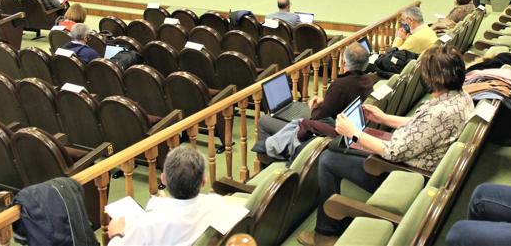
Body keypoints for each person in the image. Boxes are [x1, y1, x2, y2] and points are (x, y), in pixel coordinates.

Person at [297, 45, 473, 246]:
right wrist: (385, 118)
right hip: (408, 154)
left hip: (404, 170)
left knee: (329, 159)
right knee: (341, 147)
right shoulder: (460, 96)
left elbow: (392, 152)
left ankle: (325, 232)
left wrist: (354, 133)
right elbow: (419, 125)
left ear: (435, 78)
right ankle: (334, 217)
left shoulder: (440, 112)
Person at [107, 145, 245, 246]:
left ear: (163, 179)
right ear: (203, 182)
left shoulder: (146, 224)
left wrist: (116, 234)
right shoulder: (218, 204)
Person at [258, 43, 373, 141]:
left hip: (322, 133)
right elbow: (340, 103)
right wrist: (325, 101)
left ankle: (270, 160)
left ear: (344, 64)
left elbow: (318, 118)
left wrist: (312, 108)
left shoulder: (340, 85)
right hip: (345, 128)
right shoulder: (368, 80)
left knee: (264, 121)